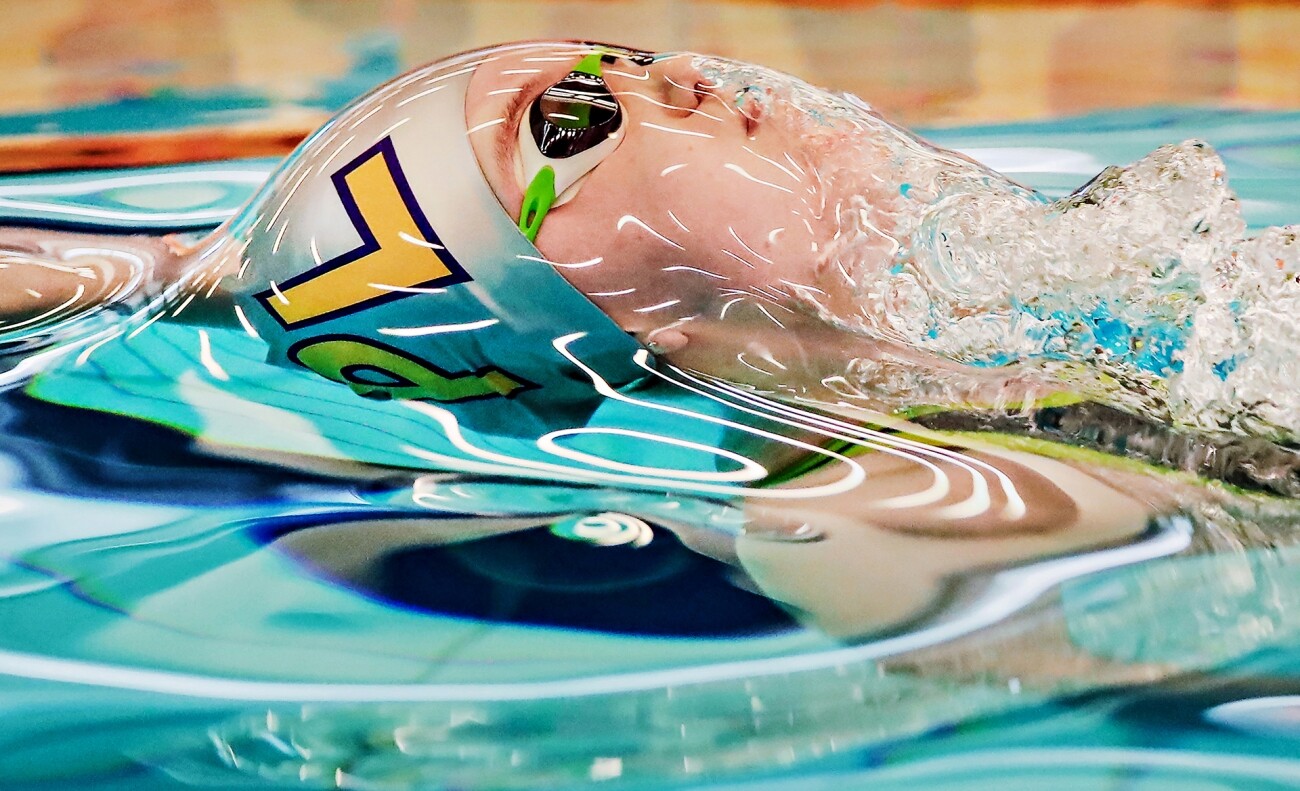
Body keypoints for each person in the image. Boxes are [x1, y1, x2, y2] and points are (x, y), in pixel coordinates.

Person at [0, 41, 1287, 619]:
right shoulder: (871, 517)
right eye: (573, 121)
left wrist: (177, 270)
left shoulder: (1064, 304)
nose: (673, 72)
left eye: (611, 54)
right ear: (615, 318)